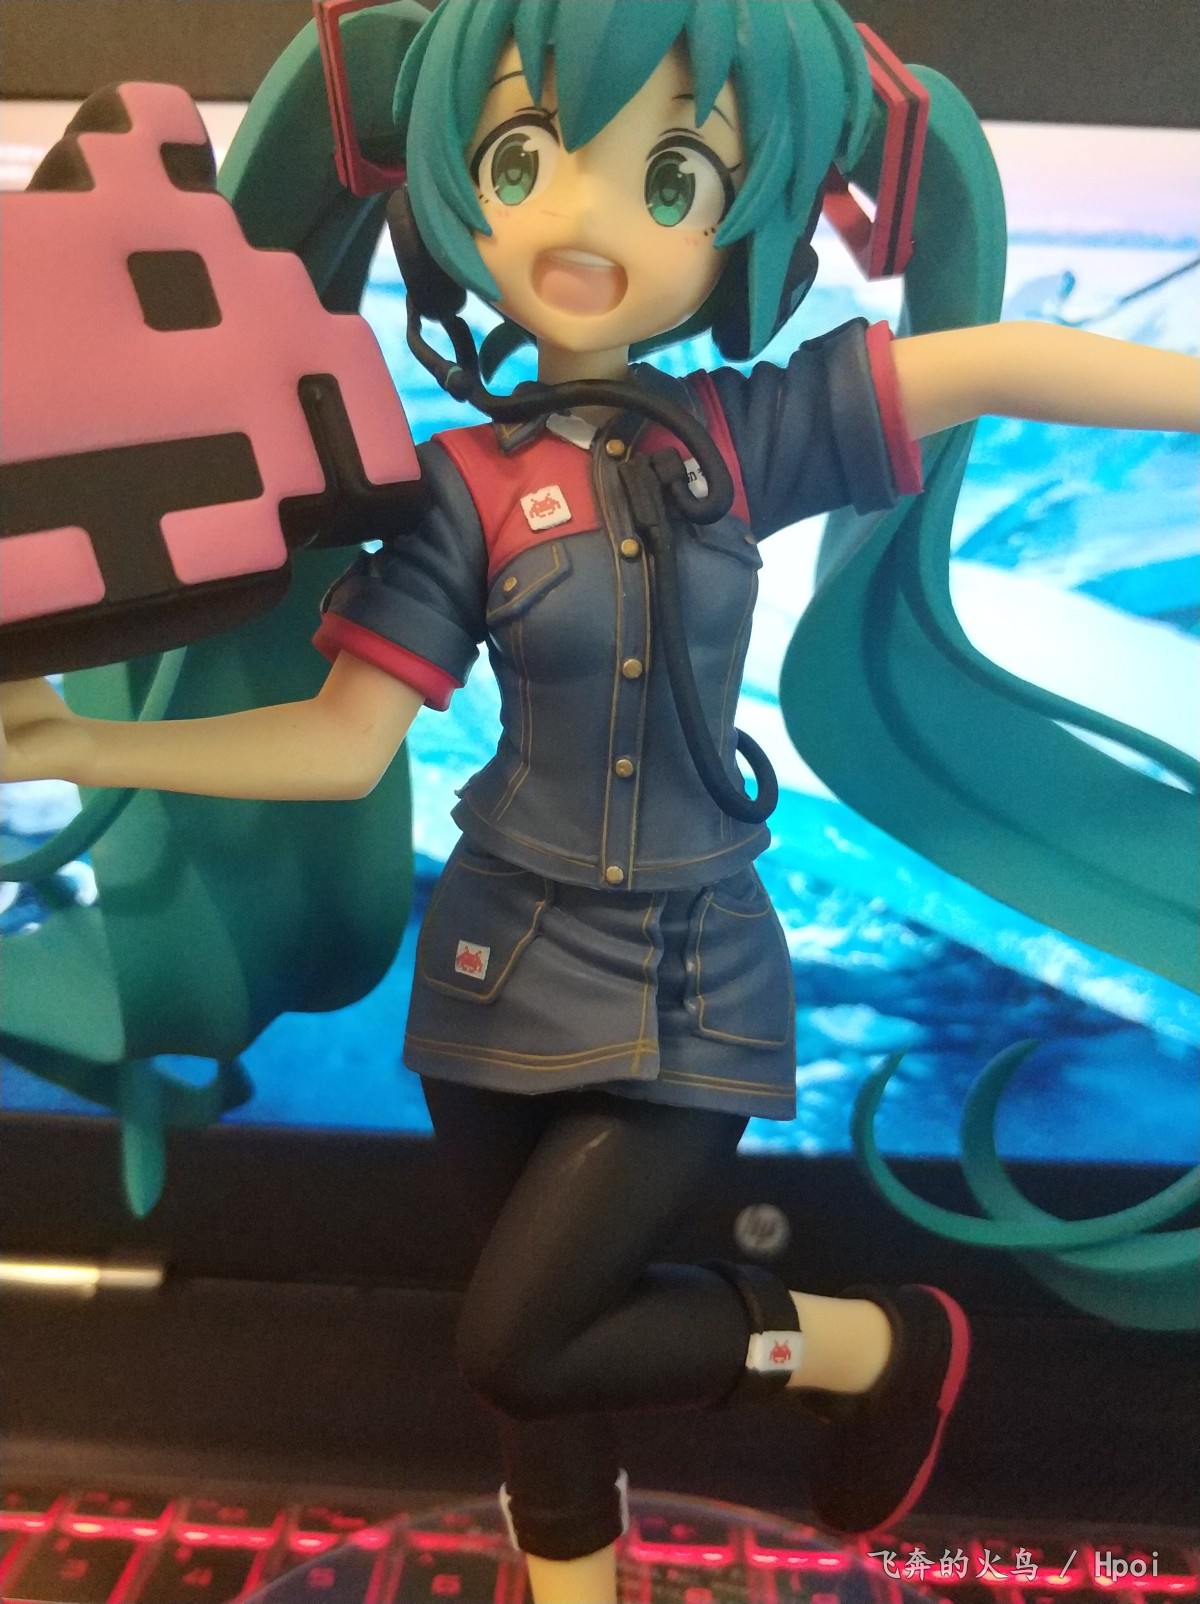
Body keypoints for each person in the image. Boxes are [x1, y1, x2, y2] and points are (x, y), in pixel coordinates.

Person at [2, 3, 1197, 1600]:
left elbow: (996, 363)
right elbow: (345, 743)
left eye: (672, 179)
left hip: (687, 967)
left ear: (740, 225)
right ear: (455, 190)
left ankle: (871, 1348)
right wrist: (86, 749)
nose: (580, 218)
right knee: (539, 1379)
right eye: (519, 160)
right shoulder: (459, 491)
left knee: (519, 1338)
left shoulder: (744, 439)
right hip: (496, 965)